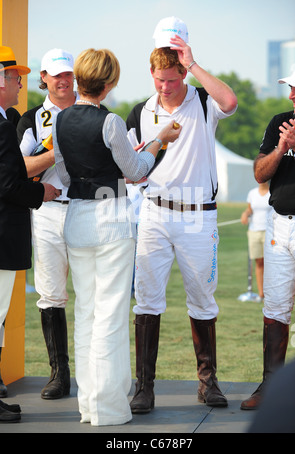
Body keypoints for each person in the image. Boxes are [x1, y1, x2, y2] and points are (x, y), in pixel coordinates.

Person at [52, 47, 181, 426]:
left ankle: (89, 406)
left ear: (79, 79)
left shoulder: (60, 121)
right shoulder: (109, 122)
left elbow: (62, 176)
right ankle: (108, 410)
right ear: (109, 84)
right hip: (111, 222)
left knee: (86, 314)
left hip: (76, 219)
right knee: (109, 317)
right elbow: (138, 169)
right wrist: (160, 140)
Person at [126, 17, 238, 414]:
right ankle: (145, 387)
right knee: (147, 302)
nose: (165, 87)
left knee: (203, 302)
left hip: (198, 217)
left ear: (182, 71)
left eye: (172, 79)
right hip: (154, 214)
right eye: (159, 79)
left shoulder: (204, 100)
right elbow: (127, 168)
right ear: (151, 73)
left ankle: (208, 383)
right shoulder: (140, 111)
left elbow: (230, 102)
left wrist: (193, 65)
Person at [0, 46, 60, 422]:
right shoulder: (3, 126)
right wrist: (42, 192)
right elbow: (6, 184)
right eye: (14, 77)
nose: (20, 83)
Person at [17, 49, 78, 400]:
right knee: (51, 295)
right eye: (56, 74)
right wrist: (53, 151)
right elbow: (21, 168)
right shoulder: (32, 118)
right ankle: (60, 374)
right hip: (49, 211)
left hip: (86, 209)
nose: (63, 80)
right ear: (43, 76)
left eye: (68, 73)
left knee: (92, 294)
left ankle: (94, 370)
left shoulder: (92, 111)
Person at [240, 63, 295, 410]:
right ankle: (271, 388)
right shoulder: (279, 121)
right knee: (275, 308)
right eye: (290, 87)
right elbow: (259, 172)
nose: (291, 94)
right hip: (279, 224)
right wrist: (281, 148)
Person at [240, 182, 271, 300]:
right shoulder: (252, 193)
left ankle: (273, 294)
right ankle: (261, 294)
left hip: (270, 232)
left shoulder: (273, 192)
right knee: (259, 262)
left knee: (272, 263)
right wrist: (245, 214)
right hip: (254, 231)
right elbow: (249, 210)